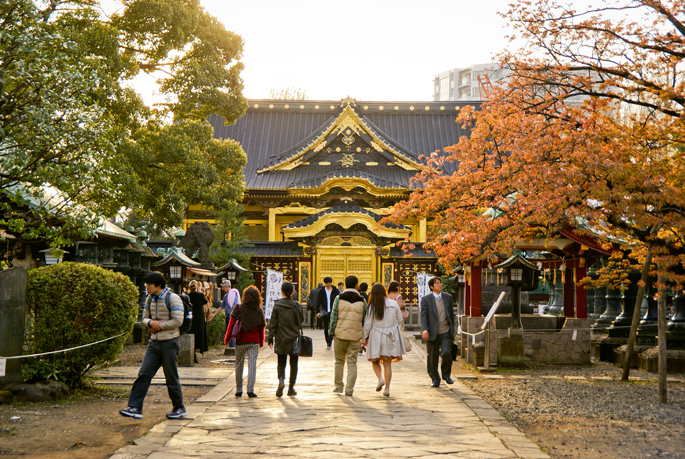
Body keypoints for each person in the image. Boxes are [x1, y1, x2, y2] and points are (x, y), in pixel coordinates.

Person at [120, 272, 186, 419]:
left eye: (149, 285)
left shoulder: (173, 298)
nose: (146, 288)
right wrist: (150, 323)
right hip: (154, 342)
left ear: (158, 285)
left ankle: (179, 408)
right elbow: (144, 318)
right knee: (144, 373)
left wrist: (159, 325)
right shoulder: (150, 299)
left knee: (171, 376)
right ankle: (135, 407)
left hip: (170, 342)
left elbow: (178, 321)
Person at [363, 283, 405, 397]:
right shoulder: (393, 304)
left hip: (376, 335)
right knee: (387, 363)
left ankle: (380, 378)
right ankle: (387, 388)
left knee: (374, 360)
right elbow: (400, 319)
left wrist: (363, 338)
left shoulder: (372, 306)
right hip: (390, 335)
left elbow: (367, 325)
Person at [330, 275, 367, 396]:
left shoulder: (338, 298)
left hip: (340, 334)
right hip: (355, 336)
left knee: (339, 362)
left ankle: (338, 386)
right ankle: (349, 389)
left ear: (345, 285)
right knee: (352, 363)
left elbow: (334, 317)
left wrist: (332, 332)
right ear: (356, 285)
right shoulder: (362, 300)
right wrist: (363, 335)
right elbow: (364, 319)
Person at [225, 286, 265, 397]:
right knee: (252, 365)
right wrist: (261, 342)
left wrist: (227, 339)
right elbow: (261, 328)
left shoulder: (238, 308)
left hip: (241, 340)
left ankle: (238, 389)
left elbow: (231, 324)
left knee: (239, 364)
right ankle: (250, 390)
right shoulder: (259, 310)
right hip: (254, 341)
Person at [267, 282, 305, 397]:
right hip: (294, 338)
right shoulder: (297, 305)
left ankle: (281, 381)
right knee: (294, 363)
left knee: (281, 362)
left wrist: (270, 338)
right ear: (292, 292)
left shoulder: (277, 305)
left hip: (281, 338)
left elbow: (273, 323)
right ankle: (291, 387)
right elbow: (301, 320)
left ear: (281, 291)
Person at [420, 277, 455, 388]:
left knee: (446, 353)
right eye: (437, 283)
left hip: (445, 331)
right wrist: (424, 329)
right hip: (432, 332)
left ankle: (446, 375)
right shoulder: (426, 299)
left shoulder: (448, 298)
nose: (440, 285)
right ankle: (435, 378)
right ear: (431, 286)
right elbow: (423, 316)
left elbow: (451, 314)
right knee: (432, 357)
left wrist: (452, 329)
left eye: (440, 283)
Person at [212, 280, 241, 347]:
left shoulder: (234, 293)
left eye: (223, 287)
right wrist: (213, 315)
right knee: (228, 331)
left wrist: (233, 313)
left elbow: (236, 304)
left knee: (232, 331)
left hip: (233, 315)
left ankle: (232, 347)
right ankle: (230, 346)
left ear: (228, 287)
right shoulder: (225, 296)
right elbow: (221, 306)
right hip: (228, 315)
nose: (223, 289)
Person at [187, 280, 208, 364]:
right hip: (199, 317)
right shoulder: (200, 295)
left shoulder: (188, 296)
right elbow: (205, 301)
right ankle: (199, 350)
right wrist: (200, 292)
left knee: (192, 333)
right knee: (199, 334)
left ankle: (193, 354)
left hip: (191, 316)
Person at [317, 276, 339, 350]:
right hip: (325, 311)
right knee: (326, 327)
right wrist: (317, 311)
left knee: (333, 326)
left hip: (333, 311)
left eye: (329, 283)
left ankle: (331, 339)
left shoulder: (335, 290)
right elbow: (318, 301)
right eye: (326, 283)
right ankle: (328, 342)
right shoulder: (322, 291)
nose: (328, 284)